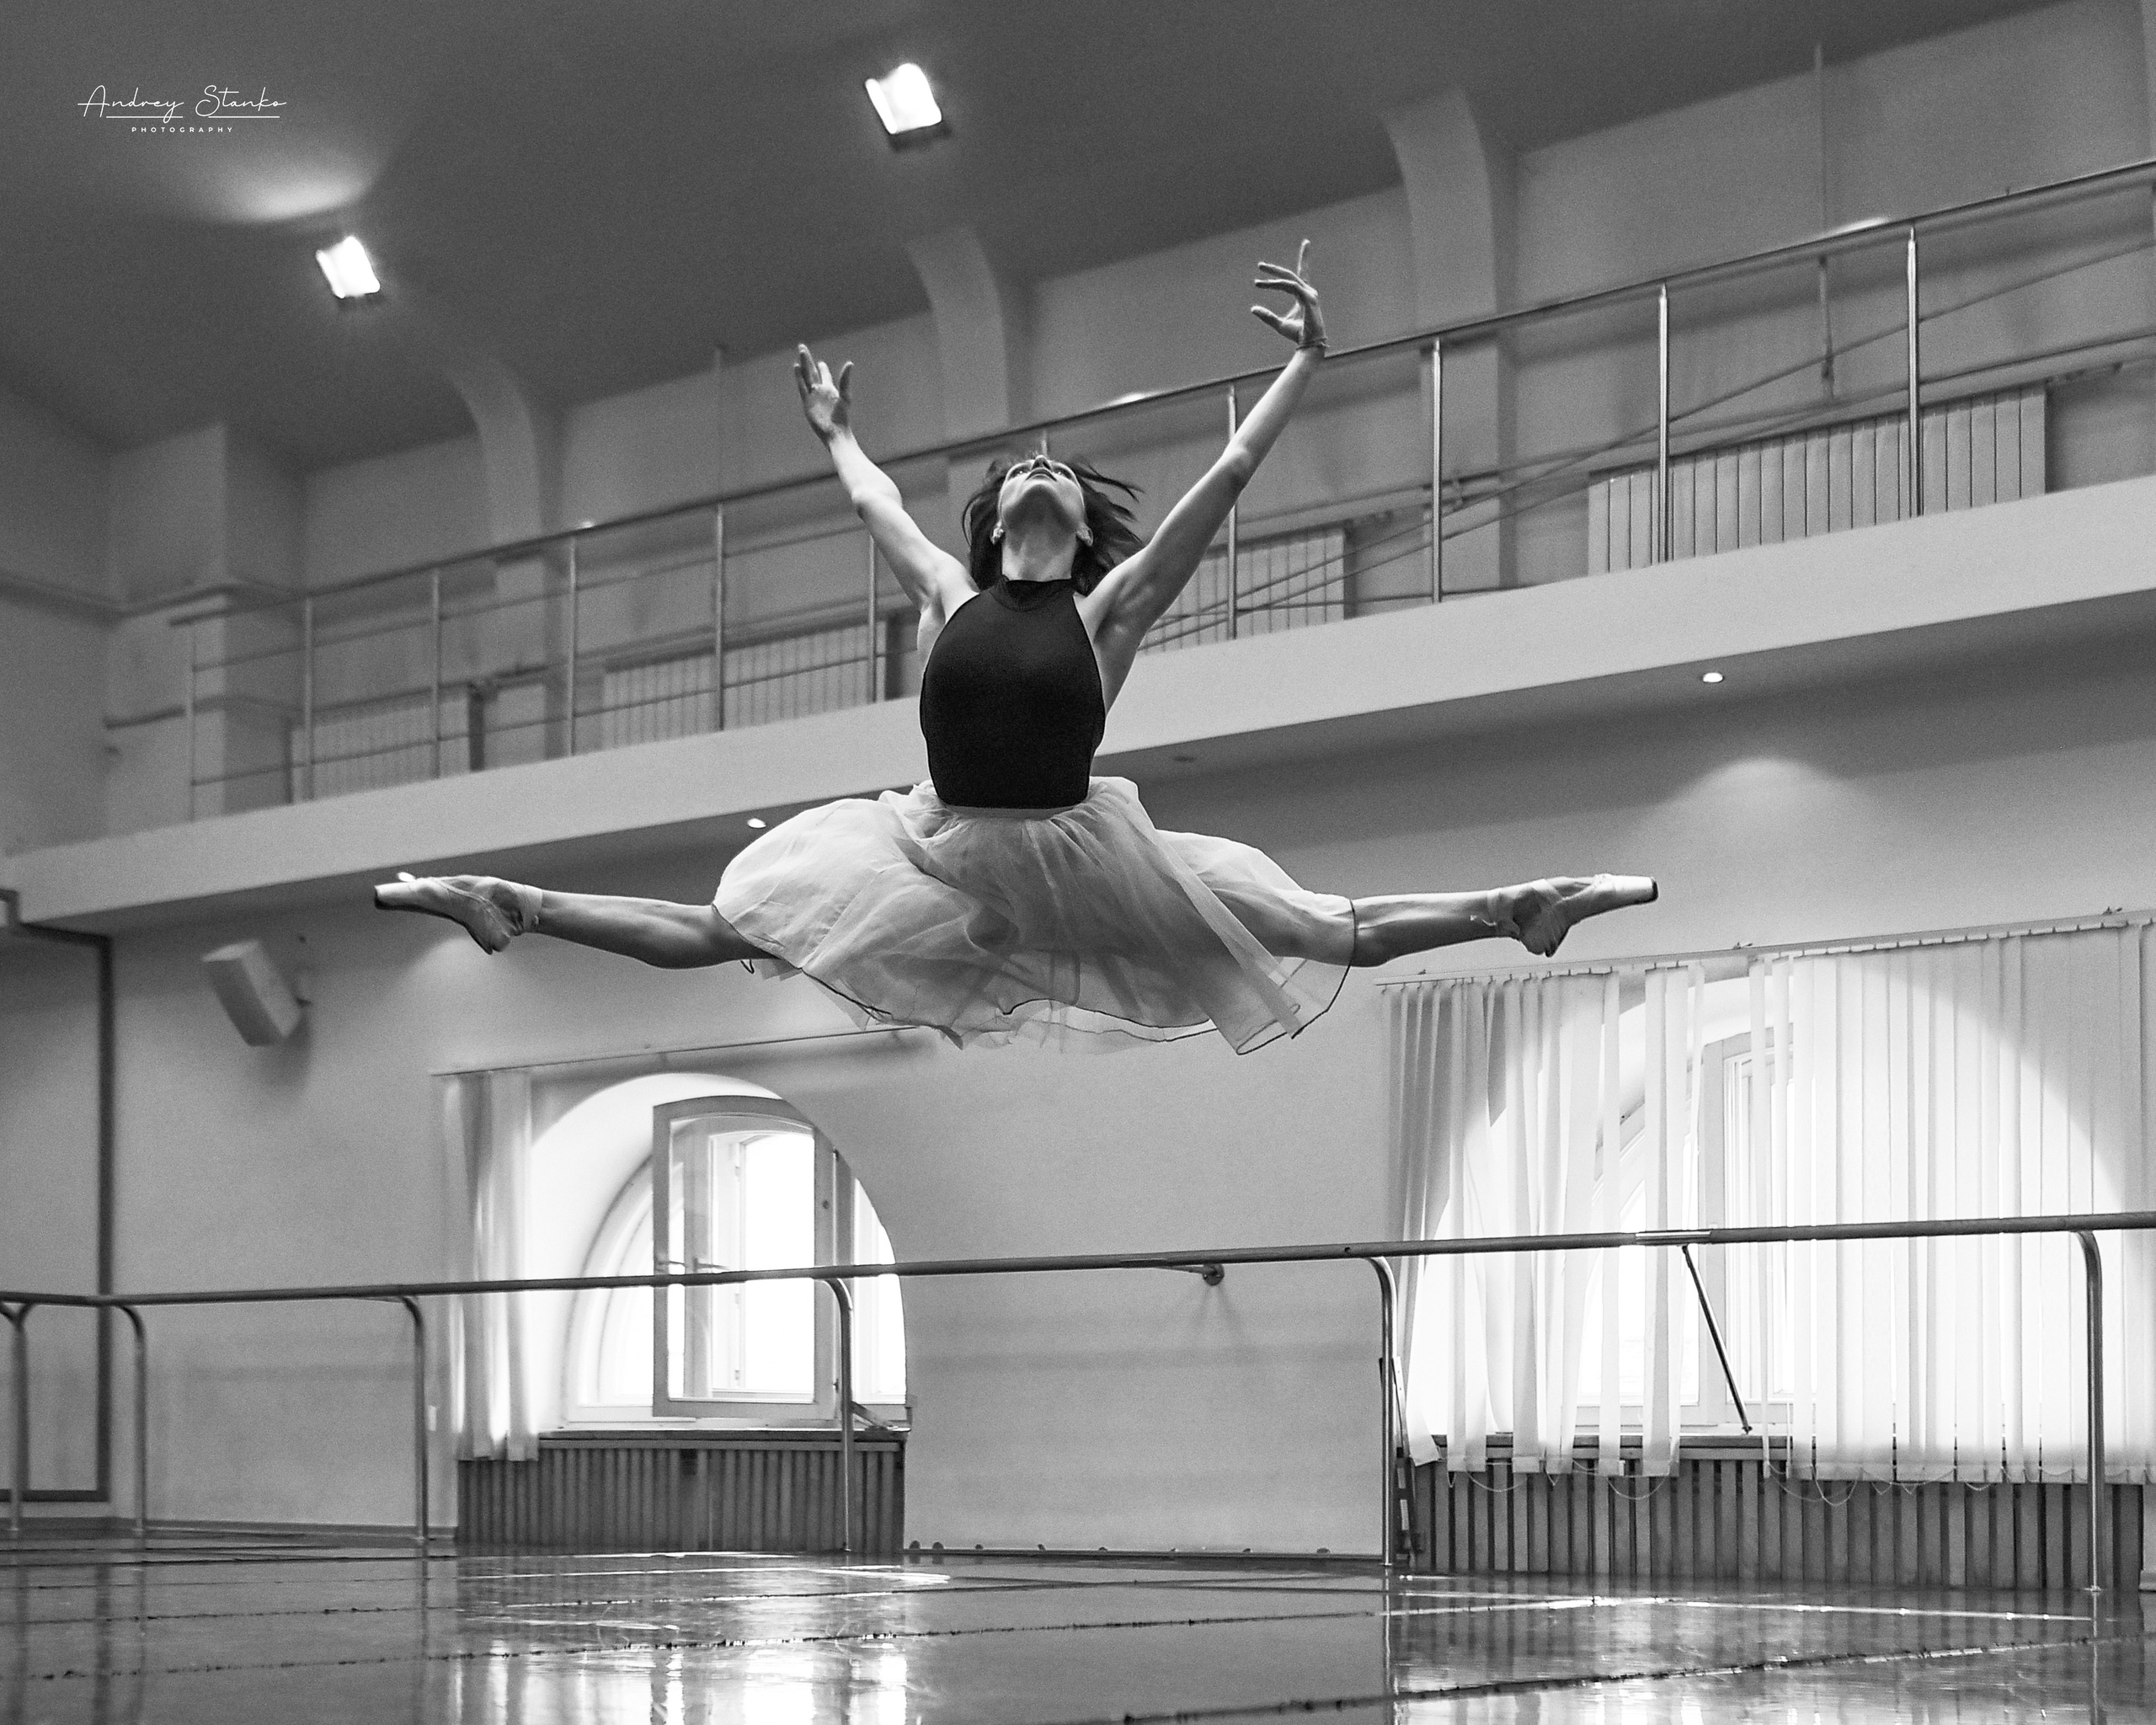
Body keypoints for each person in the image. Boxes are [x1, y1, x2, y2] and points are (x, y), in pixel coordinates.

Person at [376, 245, 1655, 1050]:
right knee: (732, 926)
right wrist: (832, 432)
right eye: (1018, 471)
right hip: (927, 845)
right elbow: (880, 502)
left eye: (1058, 468)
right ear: (991, 524)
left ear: (1079, 521)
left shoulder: (1112, 612)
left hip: (1078, 853)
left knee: (1319, 932)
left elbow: (1229, 473)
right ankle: (519, 904)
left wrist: (1308, 366)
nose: (1040, 468)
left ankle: (1512, 908)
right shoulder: (945, 589)